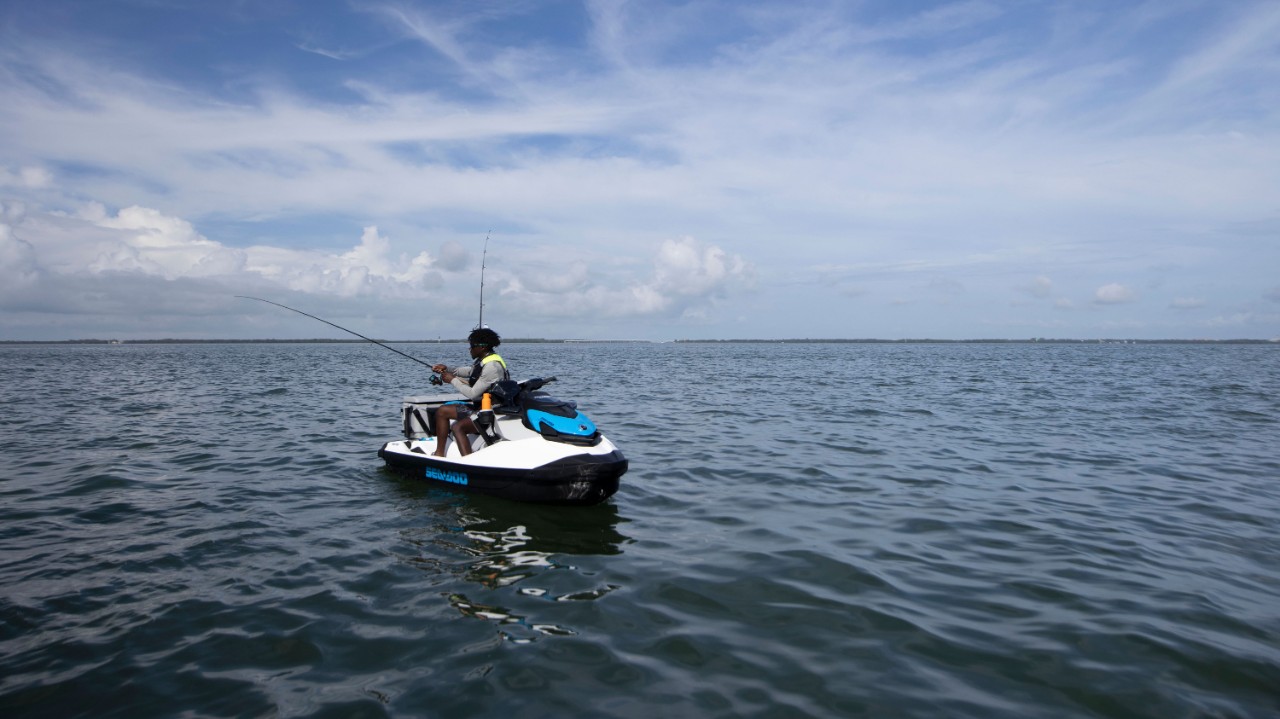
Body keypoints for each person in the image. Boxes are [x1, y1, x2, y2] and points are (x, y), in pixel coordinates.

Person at [430, 327, 510, 457]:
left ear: (482, 347)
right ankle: (439, 453)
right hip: (480, 407)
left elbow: (472, 394)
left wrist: (452, 380)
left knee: (457, 427)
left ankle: (467, 460)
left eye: (472, 346)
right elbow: (470, 372)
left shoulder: (492, 367)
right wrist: (447, 369)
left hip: (489, 412)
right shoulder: (485, 360)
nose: (470, 349)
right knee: (442, 411)